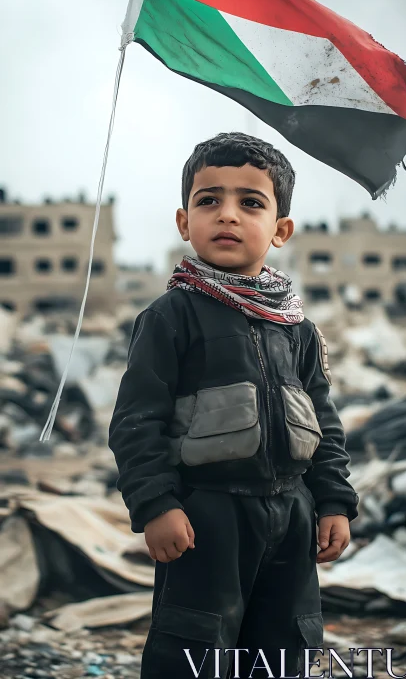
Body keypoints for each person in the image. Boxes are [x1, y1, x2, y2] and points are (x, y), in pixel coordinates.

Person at [109, 132, 359, 679]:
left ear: (280, 230)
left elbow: (324, 424)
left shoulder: (296, 328)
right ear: (184, 222)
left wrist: (334, 501)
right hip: (207, 516)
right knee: (196, 646)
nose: (227, 215)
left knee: (285, 645)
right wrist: (156, 505)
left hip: (291, 516)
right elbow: (136, 422)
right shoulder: (172, 316)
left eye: (250, 202)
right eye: (209, 200)